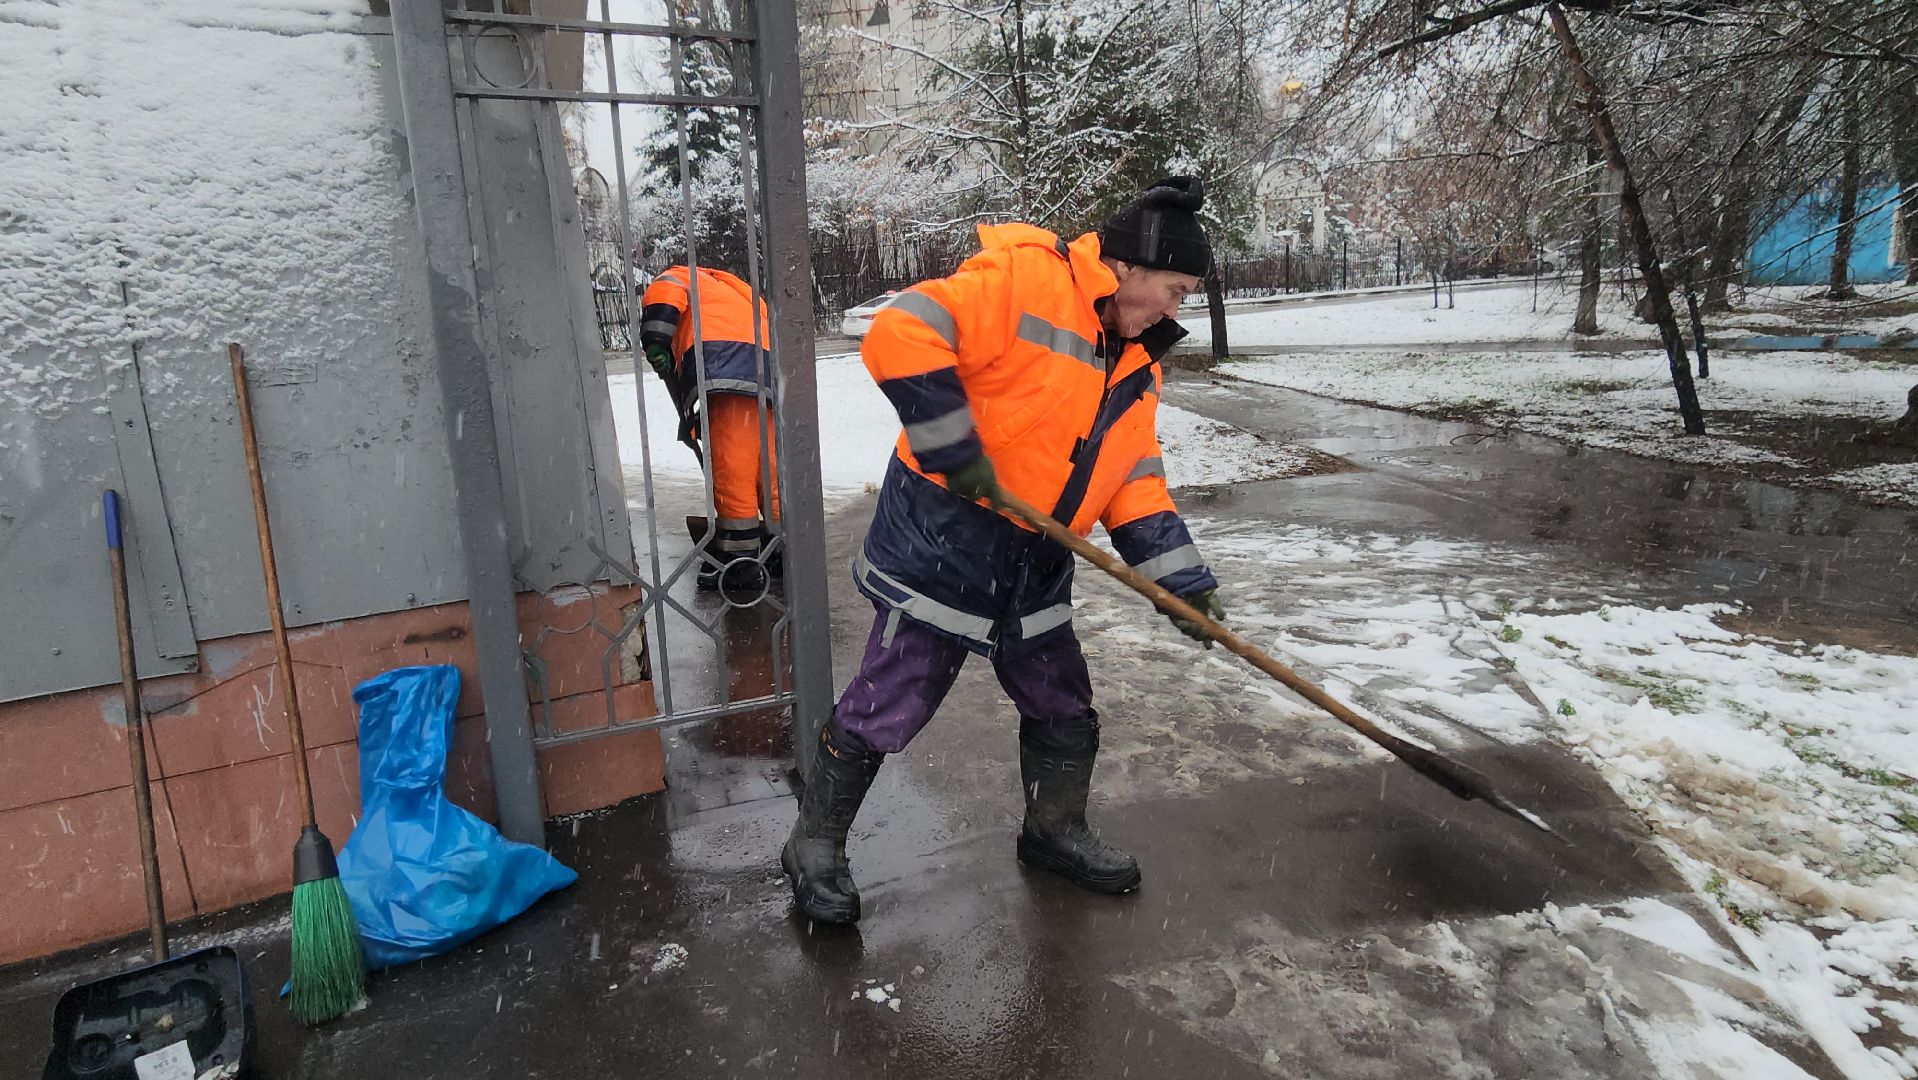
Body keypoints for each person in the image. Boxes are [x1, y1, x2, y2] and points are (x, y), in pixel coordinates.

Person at [782, 177, 1228, 924]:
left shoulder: (1136, 363)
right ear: (1128, 268)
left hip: (1034, 563)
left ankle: (1054, 830)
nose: (1176, 309)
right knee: (893, 696)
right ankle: (814, 844)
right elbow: (902, 333)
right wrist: (950, 442)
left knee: (1062, 698)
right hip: (942, 542)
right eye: (1175, 289)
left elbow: (1134, 482)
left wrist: (1181, 583)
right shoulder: (1025, 278)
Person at [639, 263, 780, 591]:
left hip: (725, 368)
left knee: (732, 470)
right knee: (768, 470)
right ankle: (781, 549)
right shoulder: (734, 288)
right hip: (768, 375)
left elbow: (664, 295)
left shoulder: (678, 276)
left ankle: (741, 566)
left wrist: (656, 340)